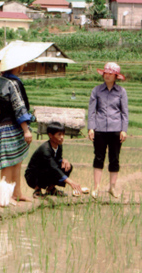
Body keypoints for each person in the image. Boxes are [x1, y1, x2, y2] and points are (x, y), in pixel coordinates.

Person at [0, 48, 34, 203]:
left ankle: (17, 193)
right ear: (17, 66)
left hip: (3, 124)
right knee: (10, 162)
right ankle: (5, 198)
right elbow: (19, 107)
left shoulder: (1, 81)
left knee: (16, 161)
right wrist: (26, 130)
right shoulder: (14, 83)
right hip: (13, 126)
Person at [88, 62, 128, 199]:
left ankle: (112, 187)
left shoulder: (121, 92)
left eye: (110, 73)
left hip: (116, 129)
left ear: (116, 76)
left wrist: (124, 130)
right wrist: (91, 128)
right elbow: (92, 111)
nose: (107, 75)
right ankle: (96, 187)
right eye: (105, 73)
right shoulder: (96, 90)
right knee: (98, 158)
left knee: (114, 159)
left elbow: (124, 112)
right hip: (99, 129)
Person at [25, 122, 82, 198]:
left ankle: (51, 189)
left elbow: (57, 159)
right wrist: (71, 182)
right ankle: (37, 190)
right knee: (51, 169)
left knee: (67, 166)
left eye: (63, 134)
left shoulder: (58, 145)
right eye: (59, 134)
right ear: (50, 135)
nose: (62, 137)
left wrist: (63, 160)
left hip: (48, 169)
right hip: (33, 176)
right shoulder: (45, 149)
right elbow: (53, 167)